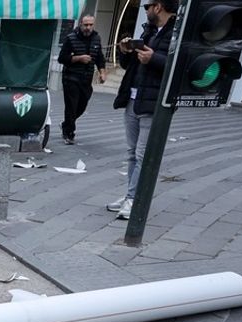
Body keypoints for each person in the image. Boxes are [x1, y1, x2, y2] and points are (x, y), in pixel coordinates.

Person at [109, 0, 177, 221]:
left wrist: (153, 58)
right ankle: (131, 194)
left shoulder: (176, 33)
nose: (145, 10)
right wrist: (126, 52)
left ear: (158, 7)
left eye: (148, 6)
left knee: (141, 154)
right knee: (131, 153)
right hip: (133, 98)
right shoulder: (147, 31)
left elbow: (180, 66)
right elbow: (130, 66)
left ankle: (133, 199)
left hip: (153, 101)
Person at [57, 14, 106, 145]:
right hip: (71, 77)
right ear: (80, 24)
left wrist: (102, 72)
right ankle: (69, 133)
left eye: (90, 25)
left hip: (87, 79)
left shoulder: (96, 38)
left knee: (82, 106)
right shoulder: (71, 38)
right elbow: (62, 58)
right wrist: (78, 58)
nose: (88, 27)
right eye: (86, 25)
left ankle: (66, 124)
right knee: (71, 106)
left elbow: (100, 58)